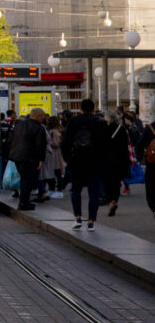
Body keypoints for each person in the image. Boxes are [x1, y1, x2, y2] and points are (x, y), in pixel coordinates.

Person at [62, 98, 109, 230]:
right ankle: (91, 220)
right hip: (94, 161)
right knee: (93, 191)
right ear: (93, 109)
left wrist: (67, 159)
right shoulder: (99, 122)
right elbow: (105, 144)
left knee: (75, 190)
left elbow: (65, 142)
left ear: (81, 109)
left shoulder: (73, 122)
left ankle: (77, 217)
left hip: (77, 161)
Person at [8, 107, 49, 211]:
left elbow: (11, 139)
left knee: (24, 179)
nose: (43, 118)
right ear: (38, 116)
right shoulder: (38, 127)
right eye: (43, 116)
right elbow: (40, 144)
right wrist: (41, 159)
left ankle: (24, 201)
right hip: (29, 158)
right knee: (28, 180)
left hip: (17, 157)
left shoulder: (20, 125)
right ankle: (24, 203)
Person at [102, 110, 132, 217]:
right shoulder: (122, 129)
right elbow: (126, 145)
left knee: (106, 182)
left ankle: (110, 201)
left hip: (106, 161)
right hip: (120, 160)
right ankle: (114, 200)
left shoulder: (104, 129)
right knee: (116, 183)